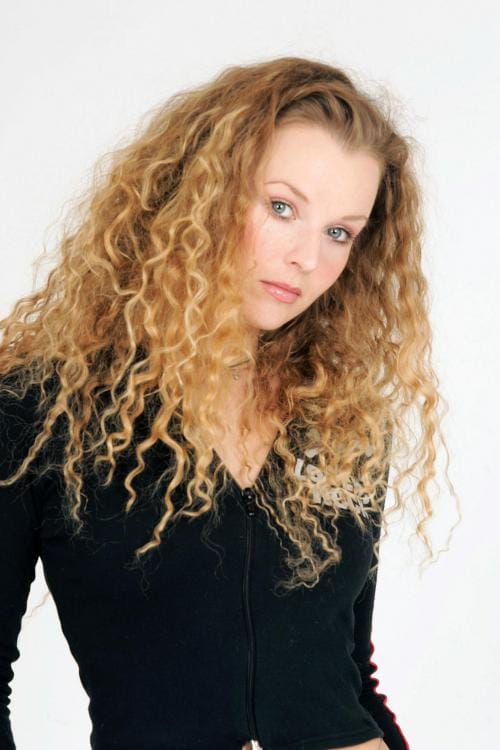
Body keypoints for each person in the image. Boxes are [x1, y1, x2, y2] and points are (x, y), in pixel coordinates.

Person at [0, 55, 453, 750]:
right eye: (282, 207)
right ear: (200, 192)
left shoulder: (341, 420)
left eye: (339, 232)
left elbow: (349, 675)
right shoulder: (43, 412)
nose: (308, 258)